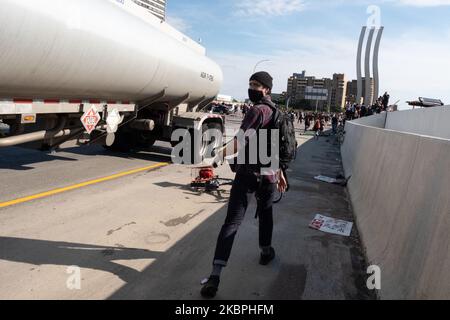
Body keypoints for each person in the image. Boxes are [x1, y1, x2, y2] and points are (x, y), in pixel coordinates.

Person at [200, 72, 288, 299]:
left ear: (266, 89)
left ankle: (214, 276)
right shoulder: (278, 113)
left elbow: (239, 141)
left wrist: (218, 155)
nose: (252, 88)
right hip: (268, 174)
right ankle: (266, 251)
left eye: (257, 85)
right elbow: (277, 145)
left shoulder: (256, 111)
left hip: (248, 174)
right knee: (266, 214)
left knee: (232, 222)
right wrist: (280, 172)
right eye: (250, 84)